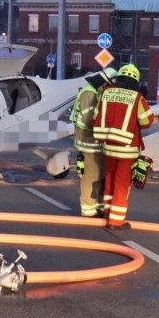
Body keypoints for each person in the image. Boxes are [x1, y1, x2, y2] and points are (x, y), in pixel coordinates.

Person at [92, 63, 153, 229]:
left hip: (108, 147)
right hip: (127, 149)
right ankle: (116, 221)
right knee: (122, 183)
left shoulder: (106, 93)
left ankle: (106, 212)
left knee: (109, 178)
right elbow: (147, 121)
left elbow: (96, 115)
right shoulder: (137, 98)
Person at [70, 66, 116, 217]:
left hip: (93, 142)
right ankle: (88, 209)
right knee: (91, 176)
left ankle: (97, 205)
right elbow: (90, 120)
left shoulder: (92, 91)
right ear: (104, 83)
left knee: (99, 175)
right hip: (88, 141)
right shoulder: (89, 94)